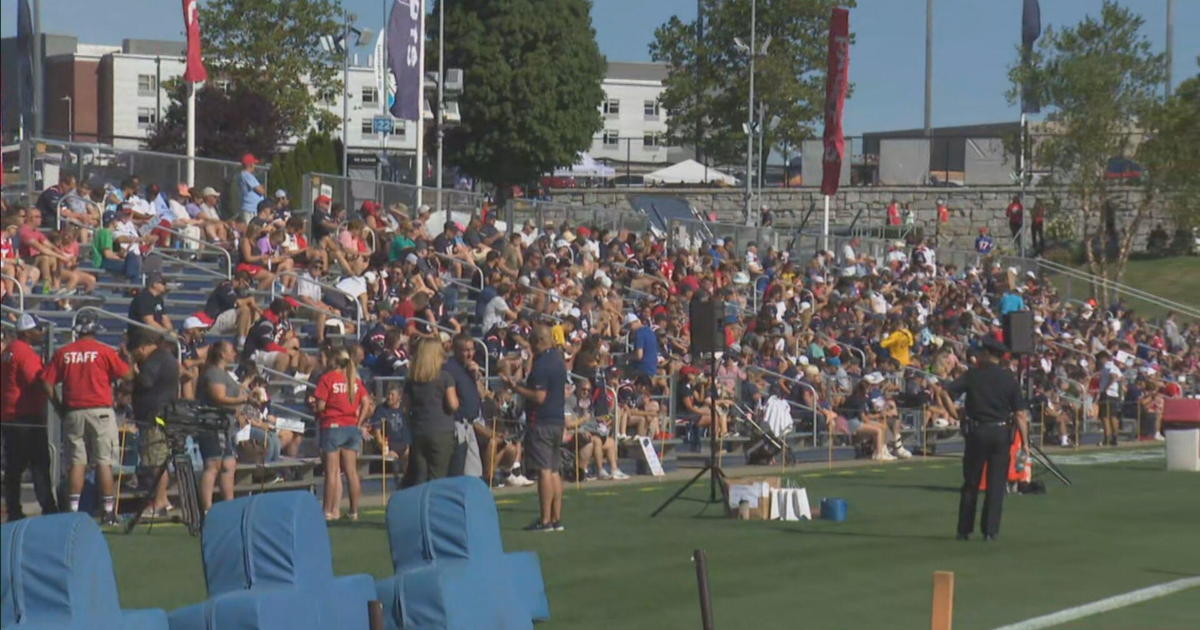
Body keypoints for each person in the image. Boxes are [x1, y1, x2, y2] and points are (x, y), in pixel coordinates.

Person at [42, 312, 133, 524]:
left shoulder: (63, 352)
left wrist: (58, 406)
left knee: (76, 463)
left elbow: (46, 382)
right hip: (100, 410)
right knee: (104, 462)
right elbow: (127, 375)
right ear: (95, 330)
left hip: (73, 411)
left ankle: (73, 512)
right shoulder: (104, 351)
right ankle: (109, 512)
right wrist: (127, 357)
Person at [943, 336, 1030, 541]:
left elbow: (945, 392)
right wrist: (1025, 443)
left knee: (971, 482)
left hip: (977, 431)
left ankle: (964, 529)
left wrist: (956, 414)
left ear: (985, 354)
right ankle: (990, 531)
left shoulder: (973, 374)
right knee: (996, 483)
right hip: (1000, 432)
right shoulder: (1009, 379)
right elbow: (1020, 414)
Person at [504, 324, 569, 532]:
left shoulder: (543, 365)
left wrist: (516, 388)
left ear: (540, 341)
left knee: (544, 472)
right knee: (554, 470)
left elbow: (539, 396)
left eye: (532, 341)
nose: (530, 345)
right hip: (558, 420)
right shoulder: (558, 360)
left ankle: (545, 519)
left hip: (542, 422)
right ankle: (556, 518)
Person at [2, 314, 58, 518]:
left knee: (14, 466)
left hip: (11, 415)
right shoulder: (25, 353)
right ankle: (48, 507)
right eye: (37, 329)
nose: (41, 333)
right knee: (39, 463)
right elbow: (36, 381)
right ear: (27, 332)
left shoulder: (9, 350)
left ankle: (14, 508)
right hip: (26, 416)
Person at [314, 348, 372, 521]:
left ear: (334, 361)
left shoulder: (328, 378)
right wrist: (359, 422)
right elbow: (366, 403)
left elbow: (320, 406)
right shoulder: (354, 379)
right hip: (351, 427)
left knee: (331, 472)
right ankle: (354, 511)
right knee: (351, 472)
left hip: (332, 426)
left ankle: (327, 511)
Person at [128, 330, 179, 517]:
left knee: (156, 461)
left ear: (143, 347)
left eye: (137, 352)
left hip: (155, 417)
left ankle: (159, 502)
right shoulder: (165, 357)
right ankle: (162, 500)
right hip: (161, 415)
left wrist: (133, 368)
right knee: (158, 460)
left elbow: (145, 381)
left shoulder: (157, 358)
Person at [195, 341, 249, 513]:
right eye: (231, 350)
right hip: (212, 424)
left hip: (225, 426)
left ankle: (229, 506)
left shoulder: (224, 374)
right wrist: (244, 400)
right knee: (213, 465)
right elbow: (219, 397)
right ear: (222, 354)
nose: (234, 353)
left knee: (228, 464)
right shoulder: (214, 373)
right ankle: (207, 508)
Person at [403, 337, 460, 487]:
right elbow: (453, 405)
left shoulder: (411, 380)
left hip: (419, 431)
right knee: (438, 476)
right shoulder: (445, 378)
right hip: (441, 431)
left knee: (420, 476)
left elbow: (405, 408)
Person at [445, 334, 486, 478]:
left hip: (471, 424)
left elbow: (483, 394)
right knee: (457, 470)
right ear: (456, 350)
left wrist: (476, 375)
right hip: (457, 424)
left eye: (471, 350)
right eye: (465, 350)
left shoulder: (470, 368)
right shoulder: (450, 368)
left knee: (474, 472)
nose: (469, 354)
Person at [238, 153, 267, 222]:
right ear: (250, 164)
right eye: (254, 164)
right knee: (251, 230)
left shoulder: (247, 175)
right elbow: (261, 191)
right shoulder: (246, 175)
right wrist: (261, 187)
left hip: (254, 208)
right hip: (250, 209)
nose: (254, 166)